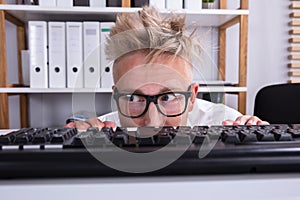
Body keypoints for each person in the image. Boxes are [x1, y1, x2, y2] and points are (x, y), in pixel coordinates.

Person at [67, 6, 268, 130]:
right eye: (134, 98)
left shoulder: (227, 123)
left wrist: (260, 138)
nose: (153, 123)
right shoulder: (102, 131)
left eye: (168, 97)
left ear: (191, 97)